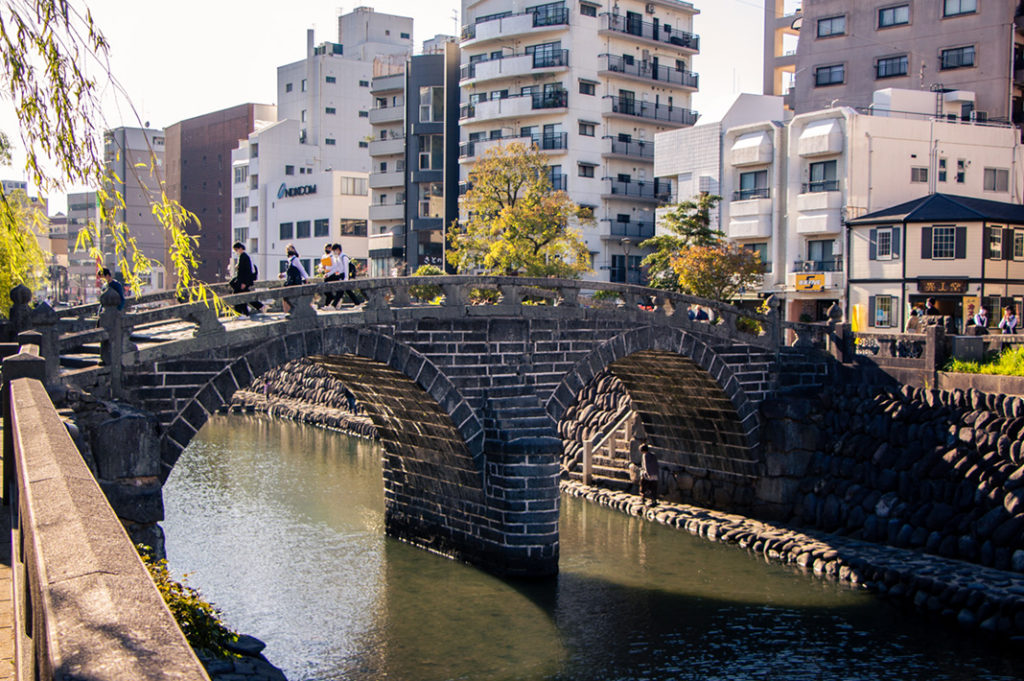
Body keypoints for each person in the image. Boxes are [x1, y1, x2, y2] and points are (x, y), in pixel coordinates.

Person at [230, 242, 263, 317]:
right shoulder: (244, 257)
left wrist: (244, 283)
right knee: (243, 296)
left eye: (236, 249)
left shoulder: (244, 257)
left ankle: (241, 314)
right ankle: (247, 312)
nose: (236, 252)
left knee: (238, 297)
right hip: (242, 281)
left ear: (240, 248)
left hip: (243, 281)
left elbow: (245, 271)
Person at [280, 244, 309, 314]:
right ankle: (287, 312)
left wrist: (306, 278)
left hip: (294, 282)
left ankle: (288, 312)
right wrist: (283, 275)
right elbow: (289, 272)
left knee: (290, 297)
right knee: (286, 297)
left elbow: (301, 269)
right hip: (290, 281)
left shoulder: (295, 259)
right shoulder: (289, 260)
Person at [322, 243, 345, 308]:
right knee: (326, 291)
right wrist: (321, 268)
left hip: (332, 275)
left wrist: (329, 274)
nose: (328, 249)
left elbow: (335, 267)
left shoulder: (333, 257)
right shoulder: (324, 256)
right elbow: (324, 266)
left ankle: (329, 304)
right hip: (326, 274)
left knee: (335, 290)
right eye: (327, 248)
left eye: (329, 248)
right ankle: (331, 302)